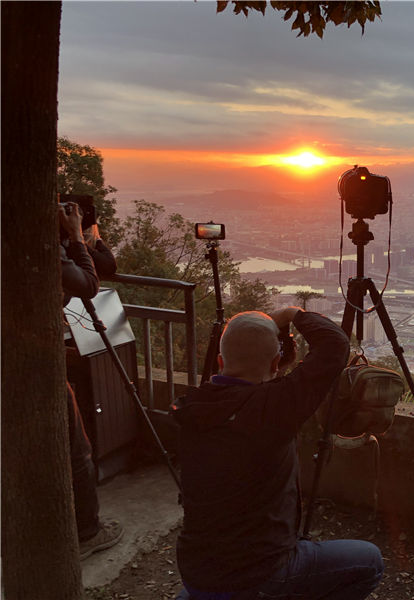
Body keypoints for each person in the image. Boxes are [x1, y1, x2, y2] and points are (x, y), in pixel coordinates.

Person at [171, 308, 384, 600]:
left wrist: (271, 364)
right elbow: (335, 344)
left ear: (220, 361)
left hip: (198, 573)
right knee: (370, 561)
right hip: (258, 575)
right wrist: (292, 314)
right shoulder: (273, 409)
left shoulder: (194, 409)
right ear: (274, 363)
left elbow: (245, 389)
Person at [59, 201, 125, 559]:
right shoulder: (47, 251)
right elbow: (88, 285)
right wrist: (75, 237)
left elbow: (107, 268)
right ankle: (88, 532)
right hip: (38, 366)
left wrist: (87, 239)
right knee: (77, 449)